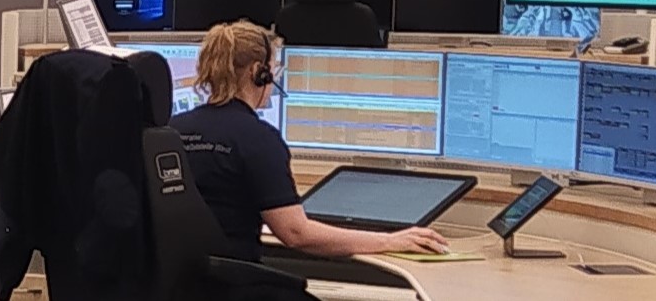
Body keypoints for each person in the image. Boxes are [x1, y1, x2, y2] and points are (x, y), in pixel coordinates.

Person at [167, 20, 448, 262]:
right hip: (231, 284)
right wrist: (390, 241)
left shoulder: (171, 129)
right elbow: (295, 233)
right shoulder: (258, 139)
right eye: (273, 70)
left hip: (176, 283)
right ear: (258, 73)